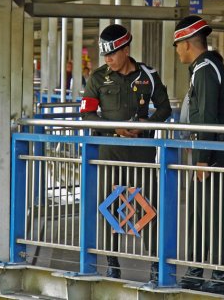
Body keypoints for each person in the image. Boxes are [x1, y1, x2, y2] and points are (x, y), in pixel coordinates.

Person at [80, 24, 172, 282]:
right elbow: (87, 115)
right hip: (109, 154)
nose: (108, 59)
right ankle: (112, 262)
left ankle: (154, 261)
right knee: (109, 206)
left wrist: (146, 125)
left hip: (142, 154)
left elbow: (164, 109)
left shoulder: (148, 75)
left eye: (112, 53)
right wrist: (115, 129)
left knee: (148, 207)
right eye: (105, 54)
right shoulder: (97, 78)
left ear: (126, 49)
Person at [173, 15, 224, 295]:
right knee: (201, 213)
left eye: (177, 45)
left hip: (211, 154)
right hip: (211, 151)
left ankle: (220, 275)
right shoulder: (206, 67)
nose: (177, 51)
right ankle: (198, 269)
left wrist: (201, 158)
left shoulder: (206, 70)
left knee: (212, 214)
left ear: (187, 44)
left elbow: (207, 117)